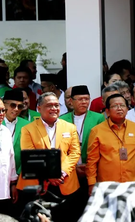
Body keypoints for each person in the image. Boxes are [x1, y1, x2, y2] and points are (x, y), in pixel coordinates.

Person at [16, 92, 82, 221]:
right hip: (37, 185)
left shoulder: (70, 127)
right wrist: (50, 175)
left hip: (65, 182)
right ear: (39, 108)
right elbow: (30, 155)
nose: (54, 108)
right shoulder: (28, 129)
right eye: (49, 105)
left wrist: (60, 173)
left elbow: (74, 153)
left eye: (56, 105)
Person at [0, 99, 18, 216]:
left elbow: (11, 161)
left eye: (3, 110)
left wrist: (13, 184)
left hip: (4, 191)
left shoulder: (5, 131)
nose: (2, 114)